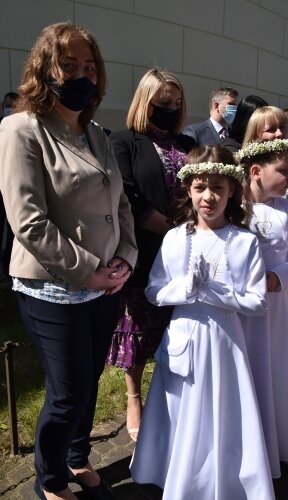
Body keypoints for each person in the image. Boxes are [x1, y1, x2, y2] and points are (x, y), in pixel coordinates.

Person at [0, 22, 137, 500]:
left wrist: (124, 259)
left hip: (105, 283)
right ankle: (50, 478)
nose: (82, 75)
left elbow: (121, 204)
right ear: (45, 69)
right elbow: (28, 219)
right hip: (52, 287)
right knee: (68, 391)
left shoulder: (98, 133)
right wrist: (88, 269)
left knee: (91, 377)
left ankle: (77, 457)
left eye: (90, 67)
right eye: (70, 65)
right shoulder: (21, 128)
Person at [130, 144, 275, 500]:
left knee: (223, 411)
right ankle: (176, 473)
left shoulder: (245, 242)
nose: (208, 196)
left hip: (226, 342)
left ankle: (224, 478)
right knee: (181, 408)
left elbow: (257, 302)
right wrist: (185, 288)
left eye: (218, 188)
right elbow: (154, 290)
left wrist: (217, 292)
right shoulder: (175, 237)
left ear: (232, 191)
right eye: (199, 188)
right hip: (183, 337)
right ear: (188, 190)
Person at [105, 68, 195, 442]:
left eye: (176, 103)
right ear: (146, 102)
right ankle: (133, 396)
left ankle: (173, 394)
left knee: (178, 325)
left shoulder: (188, 143)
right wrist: (168, 229)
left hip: (188, 249)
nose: (170, 109)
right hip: (145, 248)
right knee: (140, 329)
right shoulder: (125, 141)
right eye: (163, 103)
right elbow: (126, 196)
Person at [236, 139, 288, 479]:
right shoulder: (233, 206)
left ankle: (278, 440)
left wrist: (279, 276)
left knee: (274, 369)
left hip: (275, 309)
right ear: (256, 171)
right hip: (237, 311)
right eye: (282, 171)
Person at [0, 92, 18, 286]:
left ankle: (9, 269)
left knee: (14, 232)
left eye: (14, 106)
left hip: (12, 190)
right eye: (7, 105)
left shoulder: (20, 130)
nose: (9, 109)